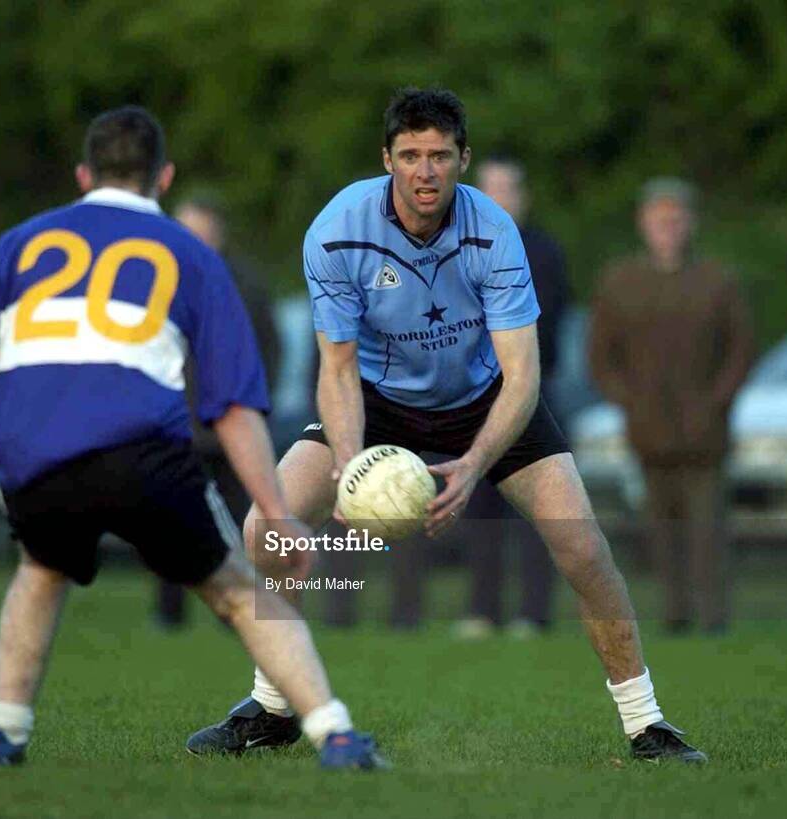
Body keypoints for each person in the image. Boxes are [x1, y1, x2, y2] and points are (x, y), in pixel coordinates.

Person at [0, 105, 385, 770]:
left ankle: (1, 731)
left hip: (32, 454)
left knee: (39, 571)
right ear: (164, 176)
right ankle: (335, 734)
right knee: (242, 593)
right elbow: (233, 409)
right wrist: (277, 514)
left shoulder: (20, 243)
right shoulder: (191, 253)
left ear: (82, 174)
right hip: (143, 451)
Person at [187, 88, 706, 764]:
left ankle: (647, 725)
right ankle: (274, 707)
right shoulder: (337, 231)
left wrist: (475, 461)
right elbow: (337, 369)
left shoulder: (494, 233)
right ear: (387, 159)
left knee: (583, 548)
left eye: (439, 155)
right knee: (266, 526)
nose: (424, 171)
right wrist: (349, 466)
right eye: (409, 155)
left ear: (463, 158)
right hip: (376, 399)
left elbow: (523, 375)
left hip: (485, 398)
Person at [589, 177, 753, 634]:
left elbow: (741, 350)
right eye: (660, 219)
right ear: (644, 224)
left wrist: (717, 401)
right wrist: (628, 402)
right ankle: (674, 613)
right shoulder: (620, 282)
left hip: (706, 433)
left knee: (707, 530)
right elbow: (601, 356)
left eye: (676, 219)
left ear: (690, 223)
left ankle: (714, 616)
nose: (668, 228)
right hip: (647, 431)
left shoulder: (718, 281)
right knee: (660, 529)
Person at [451, 157, 571, 639]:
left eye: (508, 188)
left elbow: (553, 327)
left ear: (523, 195)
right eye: (490, 188)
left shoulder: (544, 252)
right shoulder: (454, 248)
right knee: (477, 501)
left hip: (530, 392)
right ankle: (481, 610)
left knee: (537, 504)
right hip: (471, 397)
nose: (499, 197)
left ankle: (534, 614)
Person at [152, 195, 282, 628]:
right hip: (174, 426)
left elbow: (271, 347)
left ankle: (236, 611)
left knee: (238, 523)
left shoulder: (246, 284)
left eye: (198, 228)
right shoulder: (156, 279)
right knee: (173, 521)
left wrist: (257, 406)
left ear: (217, 232)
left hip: (232, 427)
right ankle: (169, 613)